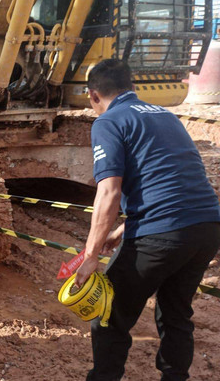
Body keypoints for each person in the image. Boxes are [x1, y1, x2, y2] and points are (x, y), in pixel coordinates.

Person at [75, 59, 220, 381]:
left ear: (93, 95)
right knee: (176, 314)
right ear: (133, 88)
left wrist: (90, 256)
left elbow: (109, 193)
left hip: (164, 232)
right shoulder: (165, 115)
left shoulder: (109, 122)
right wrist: (127, 228)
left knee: (108, 314)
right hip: (207, 226)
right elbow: (174, 179)